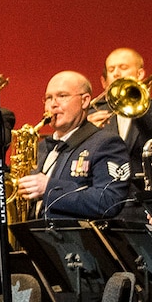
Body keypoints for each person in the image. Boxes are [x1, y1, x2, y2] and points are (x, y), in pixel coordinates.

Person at [16, 72, 132, 223]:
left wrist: (49, 187)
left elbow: (109, 201)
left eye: (62, 96)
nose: (53, 104)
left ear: (84, 101)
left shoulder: (106, 143)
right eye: (49, 98)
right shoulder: (42, 147)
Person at [96, 48, 152, 160]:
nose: (116, 73)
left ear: (140, 74)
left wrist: (140, 110)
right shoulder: (96, 112)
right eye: (111, 69)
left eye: (123, 67)